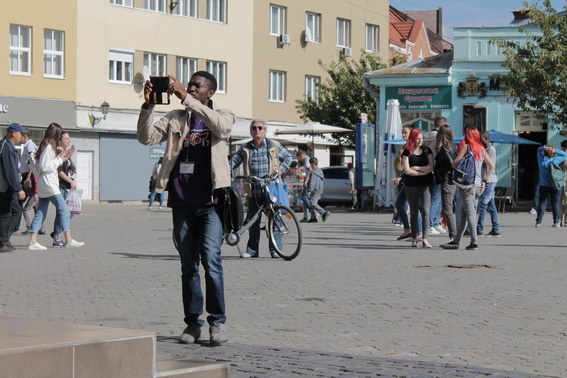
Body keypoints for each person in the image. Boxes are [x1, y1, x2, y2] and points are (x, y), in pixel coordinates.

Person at [138, 71, 233, 345]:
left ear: (209, 93)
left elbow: (222, 128)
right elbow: (146, 138)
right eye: (188, 84)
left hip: (211, 203)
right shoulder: (176, 118)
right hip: (181, 201)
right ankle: (193, 324)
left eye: (196, 85)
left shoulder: (224, 114)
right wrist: (148, 106)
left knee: (211, 261)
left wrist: (187, 99)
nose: (190, 87)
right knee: (188, 265)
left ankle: (218, 322)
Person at [230, 119, 292, 258]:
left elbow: (288, 158)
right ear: (251, 131)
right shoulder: (246, 148)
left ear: (265, 131)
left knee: (275, 219)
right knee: (252, 222)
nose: (257, 130)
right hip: (253, 190)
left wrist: (280, 170)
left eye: (260, 128)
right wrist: (223, 172)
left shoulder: (273, 145)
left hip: (271, 189)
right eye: (254, 128)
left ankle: (275, 250)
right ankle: (252, 251)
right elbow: (234, 162)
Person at [27, 123, 84, 250]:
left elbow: (46, 164)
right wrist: (60, 160)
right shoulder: (48, 146)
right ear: (55, 134)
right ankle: (67, 239)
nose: (60, 136)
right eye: (60, 134)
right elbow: (44, 167)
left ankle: (32, 241)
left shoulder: (46, 145)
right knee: (64, 209)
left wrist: (61, 156)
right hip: (49, 184)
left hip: (45, 184)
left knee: (41, 212)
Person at [441, 125, 494, 250]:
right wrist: (485, 180)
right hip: (477, 185)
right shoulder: (481, 149)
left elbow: (455, 162)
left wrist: (457, 163)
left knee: (470, 213)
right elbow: (492, 166)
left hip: (466, 184)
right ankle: (456, 241)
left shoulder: (466, 146)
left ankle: (474, 241)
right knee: (463, 213)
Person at [402, 128, 434, 248]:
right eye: (418, 139)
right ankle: (414, 238)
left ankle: (425, 238)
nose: (420, 141)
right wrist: (422, 171)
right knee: (414, 212)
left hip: (426, 184)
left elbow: (431, 167)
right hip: (411, 185)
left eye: (421, 138)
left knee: (426, 210)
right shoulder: (407, 152)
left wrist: (416, 168)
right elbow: (407, 170)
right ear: (413, 139)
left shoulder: (427, 150)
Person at [0, 123, 27, 253]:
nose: (22, 136)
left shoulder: (8, 146)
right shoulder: (6, 147)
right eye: (21, 133)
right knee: (6, 214)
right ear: (14, 133)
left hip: (7, 187)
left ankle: (4, 239)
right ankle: (3, 241)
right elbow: (10, 171)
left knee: (15, 211)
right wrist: (18, 188)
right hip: (5, 188)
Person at [51, 131, 78, 247]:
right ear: (60, 140)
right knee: (64, 212)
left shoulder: (64, 153)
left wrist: (69, 157)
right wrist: (70, 181)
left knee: (68, 211)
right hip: (59, 186)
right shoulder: (58, 152)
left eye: (69, 138)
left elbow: (68, 168)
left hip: (65, 187)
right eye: (66, 138)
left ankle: (57, 233)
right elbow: (59, 171)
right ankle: (57, 237)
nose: (69, 140)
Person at [434, 125, 457, 243]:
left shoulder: (445, 148)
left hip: (447, 180)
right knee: (448, 208)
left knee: (447, 209)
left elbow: (451, 164)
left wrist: (439, 172)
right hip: (451, 180)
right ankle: (453, 235)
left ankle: (453, 236)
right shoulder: (453, 145)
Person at [18, 131, 45, 235]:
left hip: (30, 177)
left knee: (25, 205)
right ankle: (40, 228)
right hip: (30, 177)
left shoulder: (30, 146)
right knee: (35, 205)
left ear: (25, 136)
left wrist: (28, 177)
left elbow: (32, 162)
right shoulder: (28, 146)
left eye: (21, 136)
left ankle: (31, 227)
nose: (20, 139)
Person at [534, 144, 567, 228]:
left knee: (542, 203)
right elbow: (565, 154)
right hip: (556, 184)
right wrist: (554, 150)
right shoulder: (555, 160)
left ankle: (538, 222)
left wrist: (545, 147)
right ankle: (556, 222)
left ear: (544, 153)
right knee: (555, 204)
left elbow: (538, 149)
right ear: (552, 153)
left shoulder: (541, 161)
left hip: (544, 185)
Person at [424, 116, 447, 235]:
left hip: (431, 168)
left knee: (438, 198)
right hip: (437, 169)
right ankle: (429, 224)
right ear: (442, 124)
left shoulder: (428, 136)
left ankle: (435, 221)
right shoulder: (437, 137)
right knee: (437, 198)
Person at [476, 131, 501, 237]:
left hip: (489, 180)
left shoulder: (491, 149)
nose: (479, 140)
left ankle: (479, 229)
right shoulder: (485, 149)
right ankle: (496, 229)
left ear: (485, 139)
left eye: (481, 138)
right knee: (492, 206)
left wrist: (484, 180)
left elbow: (488, 164)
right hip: (486, 179)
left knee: (483, 204)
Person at [306, 157, 329, 222]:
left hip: (314, 189)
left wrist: (309, 191)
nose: (310, 165)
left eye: (310, 164)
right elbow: (322, 181)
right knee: (313, 203)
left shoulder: (313, 172)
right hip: (319, 189)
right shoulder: (320, 171)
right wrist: (321, 190)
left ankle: (324, 213)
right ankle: (313, 218)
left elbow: (312, 182)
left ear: (313, 164)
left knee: (312, 203)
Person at [297, 149, 311, 222]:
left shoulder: (306, 159)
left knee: (304, 197)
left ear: (301, 155)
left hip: (309, 180)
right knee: (305, 199)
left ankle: (313, 210)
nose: (300, 159)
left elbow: (309, 169)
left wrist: (306, 179)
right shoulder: (308, 159)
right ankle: (305, 216)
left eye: (299, 158)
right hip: (308, 180)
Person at [560, 140, 567, 226]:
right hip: (560, 182)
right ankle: (559, 220)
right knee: (559, 202)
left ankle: (566, 220)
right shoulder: (560, 157)